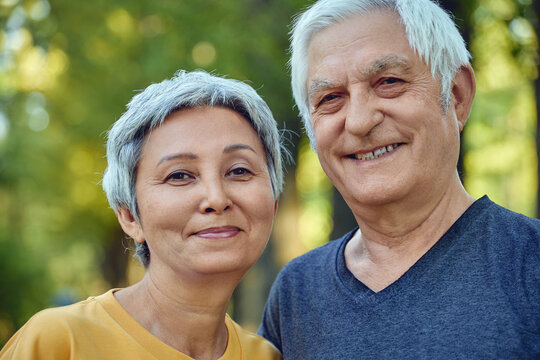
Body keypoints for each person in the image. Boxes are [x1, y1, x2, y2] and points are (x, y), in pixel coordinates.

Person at [259, 0, 540, 358]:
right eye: (330, 98)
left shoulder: (530, 265)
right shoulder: (297, 294)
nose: (359, 121)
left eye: (389, 82)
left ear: (456, 95)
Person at [1, 70, 284, 359]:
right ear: (129, 216)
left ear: (273, 205)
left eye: (239, 170)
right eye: (179, 175)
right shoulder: (59, 343)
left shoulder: (266, 355)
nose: (216, 198)